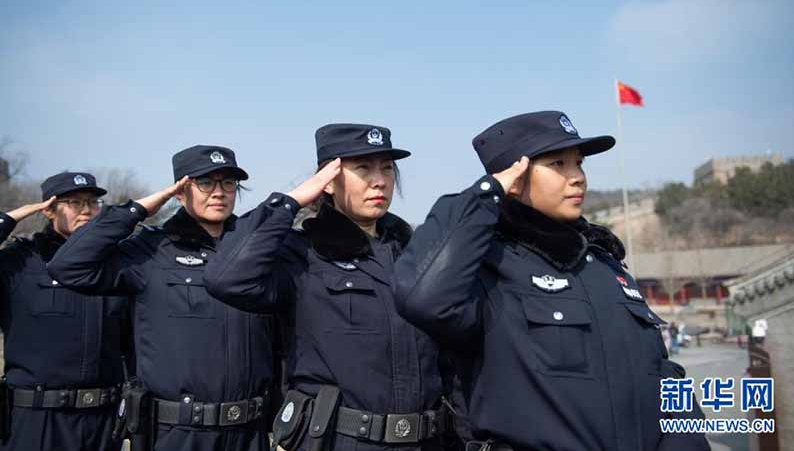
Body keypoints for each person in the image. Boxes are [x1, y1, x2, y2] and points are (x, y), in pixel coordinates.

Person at [393, 111, 710, 451]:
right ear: (514, 177)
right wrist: (487, 193)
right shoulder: (489, 270)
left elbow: (663, 374)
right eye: (558, 164)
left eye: (579, 163)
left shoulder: (606, 267)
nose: (578, 178)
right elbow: (421, 296)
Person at [204, 124, 449, 451]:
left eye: (387, 168)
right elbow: (225, 277)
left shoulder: (414, 254)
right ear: (329, 180)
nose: (379, 180)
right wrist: (290, 202)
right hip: (337, 440)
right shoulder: (303, 253)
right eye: (363, 168)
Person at [48, 146, 273, 451]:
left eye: (228, 183)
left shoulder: (252, 250)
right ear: (180, 191)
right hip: (178, 432)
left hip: (249, 432)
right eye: (205, 183)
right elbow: (68, 267)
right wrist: (137, 210)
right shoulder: (149, 250)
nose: (219, 193)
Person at [1, 172, 130, 451]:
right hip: (37, 420)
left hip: (103, 421)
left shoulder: (116, 265)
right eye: (74, 203)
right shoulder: (20, 261)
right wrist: (8, 220)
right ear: (48, 209)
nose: (86, 211)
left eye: (93, 203)